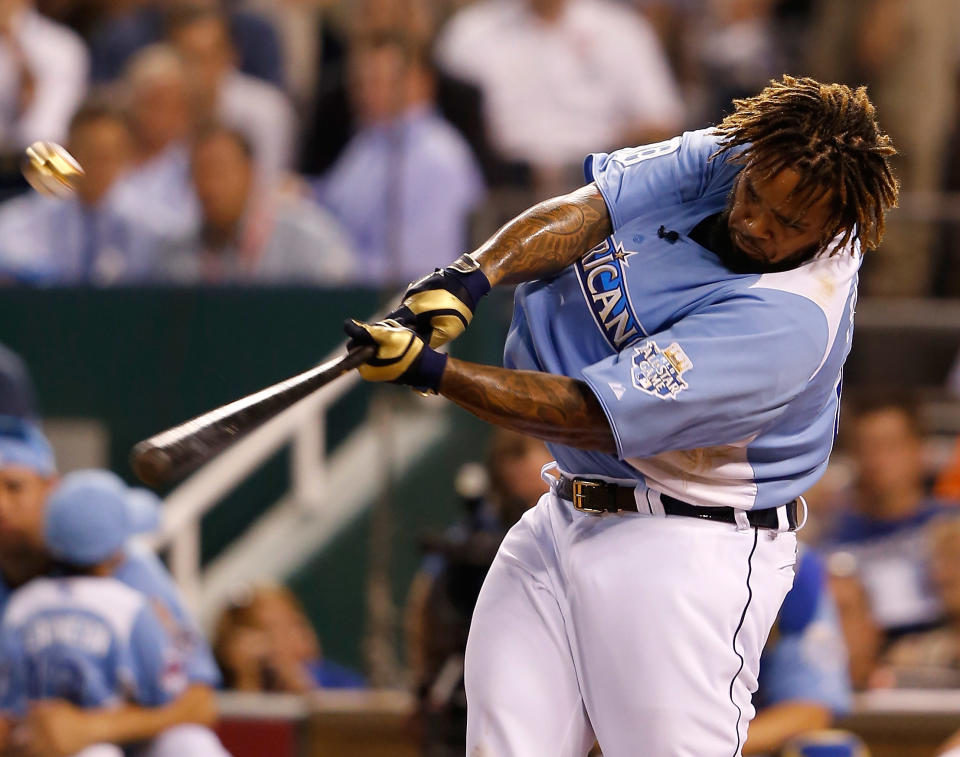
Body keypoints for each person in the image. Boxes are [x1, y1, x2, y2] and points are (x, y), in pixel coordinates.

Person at [344, 76, 899, 755]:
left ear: (834, 226)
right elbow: (590, 210)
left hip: (687, 550)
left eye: (789, 223)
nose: (757, 221)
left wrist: (435, 373)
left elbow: (590, 413)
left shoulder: (789, 323)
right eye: (756, 195)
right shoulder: (740, 153)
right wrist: (470, 277)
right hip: (565, 511)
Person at [0, 417, 223, 757]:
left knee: (189, 745)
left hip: (125, 741)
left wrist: (90, 728)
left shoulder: (129, 567)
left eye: (14, 487)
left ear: (51, 488)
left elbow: (199, 703)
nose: (1, 505)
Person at [314, 30, 484, 287]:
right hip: (346, 296)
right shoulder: (366, 141)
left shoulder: (438, 157)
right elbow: (334, 207)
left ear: (422, 82)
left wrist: (331, 268)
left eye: (382, 82)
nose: (367, 93)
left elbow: (424, 269)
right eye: (362, 83)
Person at [818, 392, 952, 635]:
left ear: (920, 449)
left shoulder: (950, 526)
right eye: (867, 447)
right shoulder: (829, 532)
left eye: (892, 446)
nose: (878, 460)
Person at [155, 124, 354, 285]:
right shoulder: (176, 254)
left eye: (221, 170)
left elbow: (342, 305)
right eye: (201, 172)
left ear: (250, 173)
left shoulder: (307, 237)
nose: (210, 185)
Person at [0, 99, 161, 285]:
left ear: (125, 157)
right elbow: (9, 245)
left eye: (108, 156)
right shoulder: (38, 212)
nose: (99, 167)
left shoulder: (143, 221)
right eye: (90, 155)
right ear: (68, 154)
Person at [213, 583, 364, 693]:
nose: (279, 640)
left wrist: (302, 689)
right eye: (266, 631)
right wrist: (245, 680)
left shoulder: (338, 681)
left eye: (290, 625)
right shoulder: (220, 681)